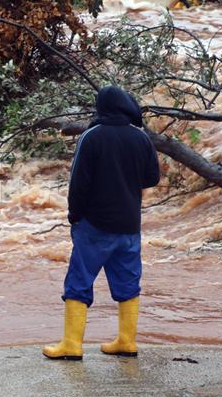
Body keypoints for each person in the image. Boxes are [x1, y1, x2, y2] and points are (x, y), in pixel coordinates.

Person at [43, 86, 160, 361]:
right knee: (128, 283)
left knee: (79, 281)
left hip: (95, 225)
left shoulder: (92, 137)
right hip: (130, 225)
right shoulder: (140, 138)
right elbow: (152, 177)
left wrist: (74, 216)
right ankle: (127, 341)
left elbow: (79, 182)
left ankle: (72, 344)